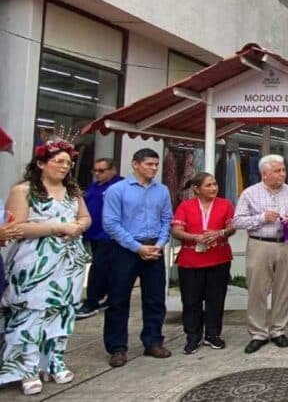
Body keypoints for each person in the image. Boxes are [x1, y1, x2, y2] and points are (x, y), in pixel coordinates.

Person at [0, 141, 91, 395]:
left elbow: (85, 217)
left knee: (61, 311)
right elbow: (15, 228)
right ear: (41, 163)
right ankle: (25, 367)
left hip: (67, 261)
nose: (64, 166)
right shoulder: (23, 190)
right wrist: (56, 227)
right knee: (30, 313)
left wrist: (79, 227)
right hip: (34, 261)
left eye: (68, 162)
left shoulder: (72, 191)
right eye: (58, 161)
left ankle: (53, 360)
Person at [102, 148, 173, 368]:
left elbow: (167, 219)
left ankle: (153, 341)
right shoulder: (117, 190)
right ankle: (117, 347)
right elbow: (111, 223)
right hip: (126, 249)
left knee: (155, 298)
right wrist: (137, 247)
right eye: (149, 164)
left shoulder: (162, 191)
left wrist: (160, 244)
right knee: (118, 299)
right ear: (135, 164)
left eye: (156, 164)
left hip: (154, 247)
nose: (153, 168)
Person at [233, 154, 288, 354]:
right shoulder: (249, 193)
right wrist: (262, 218)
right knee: (257, 289)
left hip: (286, 244)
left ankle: (278, 330)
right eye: (277, 171)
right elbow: (237, 221)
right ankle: (258, 333)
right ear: (264, 174)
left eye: (283, 170)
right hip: (260, 244)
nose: (282, 174)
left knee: (284, 289)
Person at [170, 173, 236, 355]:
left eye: (215, 184)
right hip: (191, 260)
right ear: (196, 189)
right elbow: (176, 230)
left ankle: (213, 334)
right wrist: (195, 237)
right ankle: (193, 336)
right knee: (191, 300)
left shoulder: (225, 204)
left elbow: (232, 227)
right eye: (208, 185)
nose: (214, 188)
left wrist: (220, 233)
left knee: (216, 298)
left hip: (219, 258)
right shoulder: (186, 206)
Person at [76, 157, 123, 319]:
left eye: (101, 171)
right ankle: (105, 296)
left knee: (99, 268)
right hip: (94, 234)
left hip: (110, 235)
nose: (97, 174)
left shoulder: (119, 186)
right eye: (94, 171)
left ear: (112, 170)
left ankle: (92, 301)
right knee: (102, 267)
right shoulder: (94, 186)